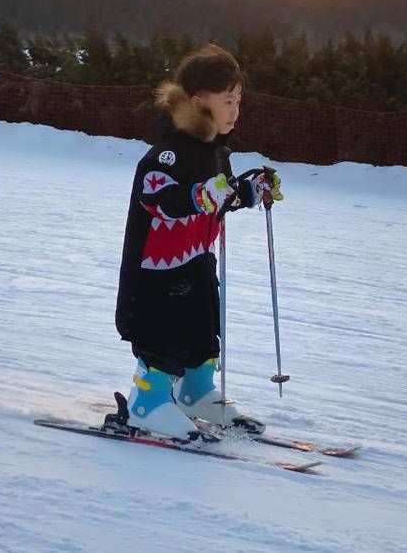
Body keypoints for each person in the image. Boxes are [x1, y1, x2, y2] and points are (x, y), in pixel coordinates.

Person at [114, 43, 283, 440]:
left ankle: (196, 390)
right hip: (156, 273)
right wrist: (200, 196)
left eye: (238, 100)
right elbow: (159, 198)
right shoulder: (167, 154)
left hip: (196, 262)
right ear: (196, 101)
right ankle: (148, 401)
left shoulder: (215, 154)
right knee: (166, 330)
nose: (235, 110)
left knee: (204, 324)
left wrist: (251, 191)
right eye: (227, 101)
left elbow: (219, 199)